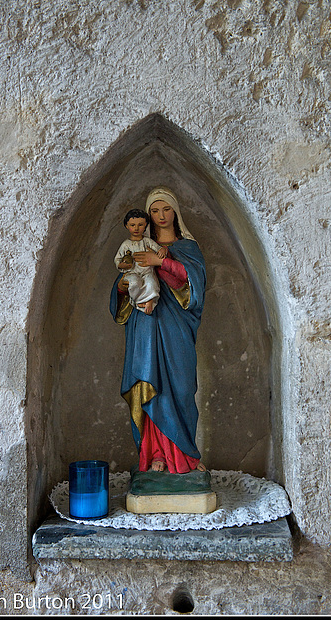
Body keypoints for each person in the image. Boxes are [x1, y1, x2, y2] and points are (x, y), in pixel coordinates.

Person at [110, 186, 206, 474]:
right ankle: (155, 456)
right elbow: (124, 282)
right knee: (150, 385)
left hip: (176, 327)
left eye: (166, 209)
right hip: (146, 326)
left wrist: (160, 262)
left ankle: (185, 457)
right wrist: (121, 287)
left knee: (180, 387)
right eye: (154, 210)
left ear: (175, 211)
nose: (161, 215)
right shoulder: (137, 246)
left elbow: (193, 288)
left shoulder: (189, 248)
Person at [114, 209, 167, 315]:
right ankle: (140, 301)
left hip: (147, 272)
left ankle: (150, 300)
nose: (136, 228)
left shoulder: (147, 241)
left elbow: (158, 248)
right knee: (133, 283)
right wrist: (121, 264)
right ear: (127, 226)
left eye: (140, 225)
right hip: (132, 272)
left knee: (151, 283)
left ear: (146, 225)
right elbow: (117, 259)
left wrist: (162, 249)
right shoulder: (126, 245)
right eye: (133, 225)